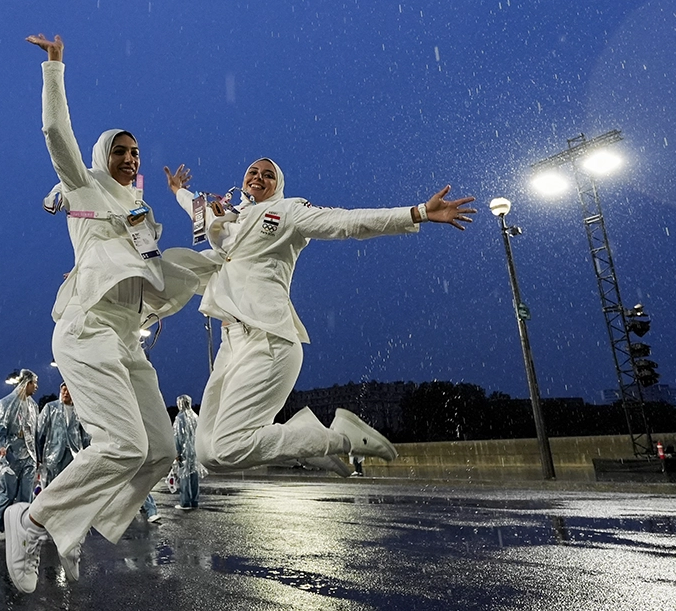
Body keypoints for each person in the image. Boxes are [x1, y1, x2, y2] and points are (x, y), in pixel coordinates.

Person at [2, 34, 203, 594]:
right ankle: (34, 519)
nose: (131, 159)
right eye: (121, 150)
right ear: (101, 158)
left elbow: (157, 272)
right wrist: (55, 69)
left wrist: (221, 264)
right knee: (123, 446)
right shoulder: (85, 190)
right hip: (87, 328)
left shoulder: (141, 212)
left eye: (136, 153)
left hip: (124, 339)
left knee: (159, 450)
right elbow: (55, 134)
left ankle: (71, 524)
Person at [164, 158, 475, 476]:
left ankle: (340, 437)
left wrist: (419, 212)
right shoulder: (230, 219)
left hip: (268, 340)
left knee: (230, 448)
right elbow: (195, 208)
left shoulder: (287, 211)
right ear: (243, 181)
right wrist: (178, 190)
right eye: (253, 173)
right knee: (208, 454)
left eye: (268, 175)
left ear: (278, 185)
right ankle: (306, 441)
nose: (259, 177)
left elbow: (346, 223)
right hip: (230, 347)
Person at [0, 370, 40, 537]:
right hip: (11, 456)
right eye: (34, 383)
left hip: (29, 457)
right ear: (26, 383)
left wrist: (37, 457)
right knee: (8, 492)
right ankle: (0, 524)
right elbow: (0, 428)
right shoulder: (6, 403)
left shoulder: (33, 406)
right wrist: (3, 447)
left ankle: (22, 525)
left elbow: (35, 434)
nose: (37, 387)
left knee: (26, 494)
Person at [35, 382, 90, 489]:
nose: (65, 393)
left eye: (68, 390)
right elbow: (39, 432)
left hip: (73, 454)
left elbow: (85, 436)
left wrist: (87, 455)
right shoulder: (51, 408)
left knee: (69, 485)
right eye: (63, 390)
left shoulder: (79, 411)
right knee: (51, 486)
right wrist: (38, 455)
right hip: (53, 454)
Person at [171, 394, 201, 510]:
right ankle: (194, 500)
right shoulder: (195, 417)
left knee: (184, 476)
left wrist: (177, 452)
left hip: (184, 452)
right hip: (194, 451)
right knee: (194, 476)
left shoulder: (180, 418)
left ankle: (185, 501)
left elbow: (177, 437)